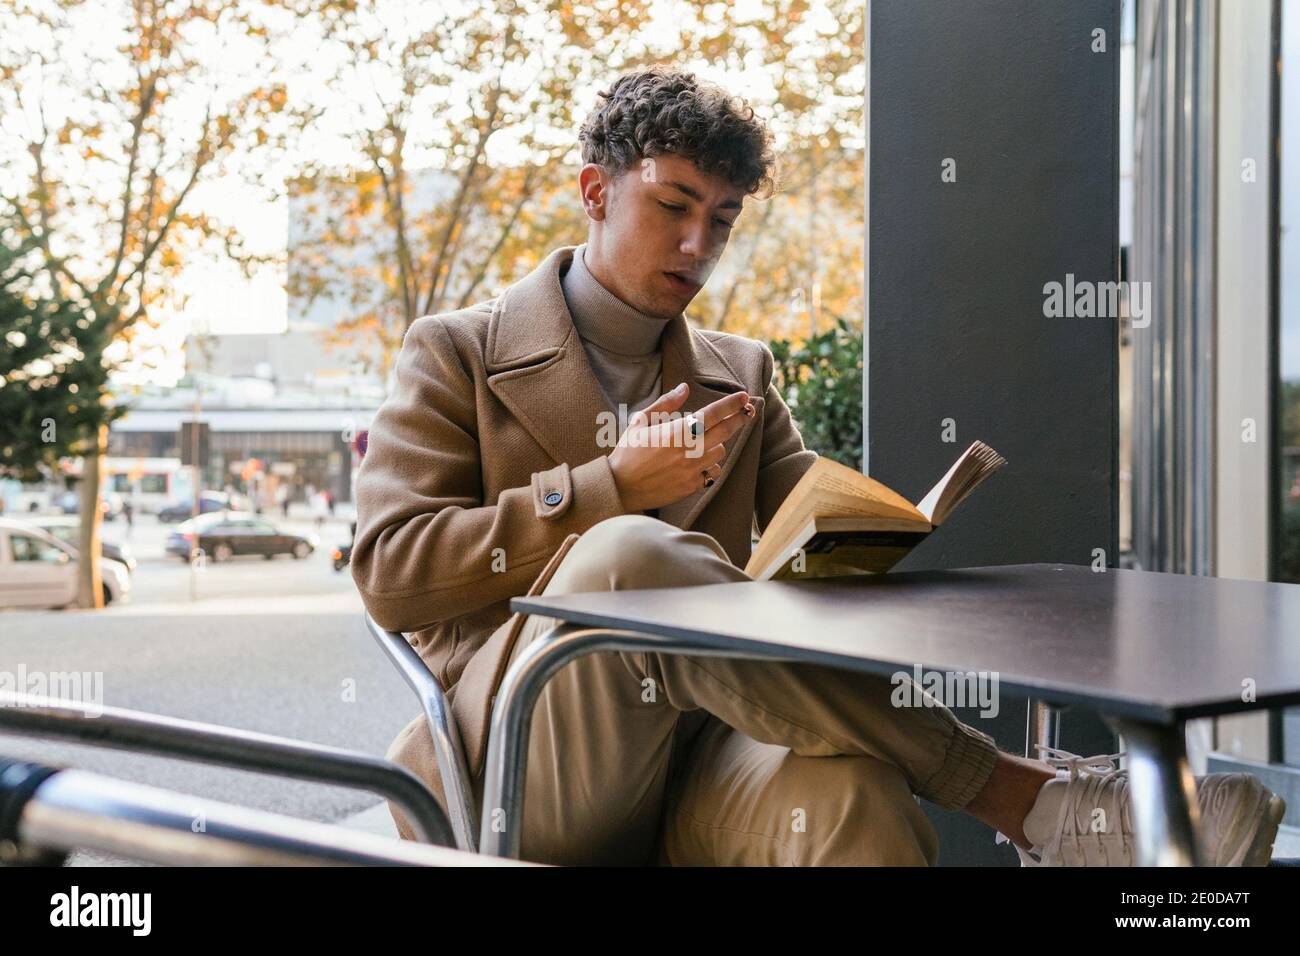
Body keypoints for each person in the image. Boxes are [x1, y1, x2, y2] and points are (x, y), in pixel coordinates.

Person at [351, 67, 1284, 866]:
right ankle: (1027, 800)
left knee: (857, 800)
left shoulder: (740, 373)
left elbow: (806, 532)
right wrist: (609, 491)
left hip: (703, 760)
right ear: (596, 191)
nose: (698, 246)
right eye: (672, 206)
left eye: (721, 220)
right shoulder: (456, 353)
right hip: (526, 765)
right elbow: (390, 573)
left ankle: (1050, 809)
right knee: (624, 554)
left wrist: (869, 532)